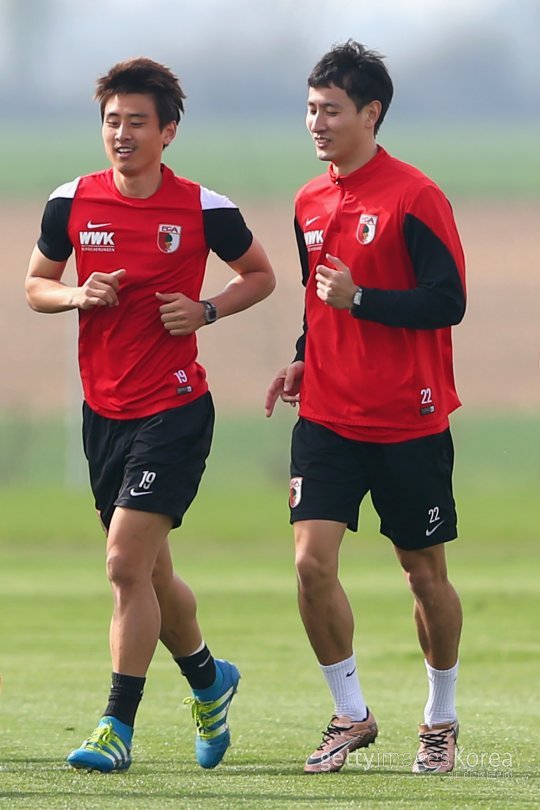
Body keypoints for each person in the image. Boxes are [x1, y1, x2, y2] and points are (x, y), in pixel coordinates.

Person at [26, 57, 275, 773]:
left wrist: (205, 310)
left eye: (138, 122)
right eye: (112, 122)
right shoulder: (70, 202)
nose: (123, 134)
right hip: (104, 413)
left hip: (175, 407)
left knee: (123, 564)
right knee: (153, 578)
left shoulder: (204, 208)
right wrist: (77, 296)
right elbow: (35, 286)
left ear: (168, 131)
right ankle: (208, 679)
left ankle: (115, 727)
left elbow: (259, 274)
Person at [265, 41, 466, 775]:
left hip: (408, 419)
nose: (316, 122)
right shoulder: (308, 201)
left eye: (332, 110)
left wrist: (365, 301)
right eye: (311, 109)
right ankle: (350, 713)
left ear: (371, 113)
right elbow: (320, 300)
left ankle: (440, 719)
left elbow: (449, 301)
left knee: (423, 574)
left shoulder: (416, 196)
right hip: (326, 415)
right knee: (310, 564)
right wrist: (300, 353)